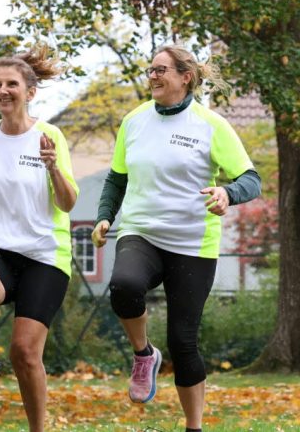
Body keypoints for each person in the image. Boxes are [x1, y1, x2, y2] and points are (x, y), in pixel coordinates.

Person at [91, 45, 261, 432]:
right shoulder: (133, 121)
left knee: (184, 342)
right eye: (150, 69)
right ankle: (143, 354)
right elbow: (116, 179)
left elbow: (251, 179)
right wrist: (104, 217)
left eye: (161, 70)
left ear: (186, 77)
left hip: (193, 243)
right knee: (124, 285)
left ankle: (194, 427)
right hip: (141, 232)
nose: (152, 75)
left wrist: (226, 193)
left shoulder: (211, 125)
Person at [0, 44, 78, 432]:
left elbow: (69, 202)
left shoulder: (50, 135)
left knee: (25, 352)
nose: (2, 90)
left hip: (44, 254)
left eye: (11, 84)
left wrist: (53, 167)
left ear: (30, 92)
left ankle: (38, 428)